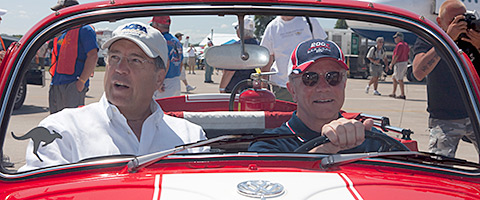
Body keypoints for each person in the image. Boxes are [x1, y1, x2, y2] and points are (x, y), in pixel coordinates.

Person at [19, 22, 207, 171]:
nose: (120, 69)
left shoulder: (191, 139)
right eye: (114, 57)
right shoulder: (61, 131)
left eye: (135, 60)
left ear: (159, 77)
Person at [249, 39, 381, 153]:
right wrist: (327, 149)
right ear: (292, 90)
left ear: (344, 84)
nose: (323, 88)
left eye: (333, 77)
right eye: (310, 78)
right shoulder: (267, 146)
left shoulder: (371, 140)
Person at [411, 0, 480, 157]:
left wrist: (479, 46)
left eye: (462, 19)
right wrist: (446, 40)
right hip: (445, 116)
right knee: (439, 162)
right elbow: (418, 72)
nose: (459, 25)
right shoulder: (430, 39)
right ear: (439, 21)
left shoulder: (473, 37)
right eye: (453, 21)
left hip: (475, 112)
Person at [261, 16, 327, 102]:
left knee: (309, 114)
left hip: (309, 84)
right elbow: (267, 58)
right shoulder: (272, 27)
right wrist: (263, 87)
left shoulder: (309, 21)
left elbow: (323, 49)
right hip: (281, 87)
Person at [48, 0, 99, 114]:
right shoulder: (61, 31)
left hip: (72, 84)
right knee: (55, 121)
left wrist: (81, 82)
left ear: (69, 9)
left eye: (60, 10)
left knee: (72, 123)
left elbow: (93, 56)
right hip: (57, 83)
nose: (58, 13)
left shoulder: (85, 29)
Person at [219, 17, 259, 93]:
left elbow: (229, 71)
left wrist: (222, 88)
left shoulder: (236, 48)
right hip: (254, 89)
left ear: (240, 30)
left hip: (236, 89)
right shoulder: (259, 46)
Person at [150, 16, 183, 98]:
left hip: (164, 82)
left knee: (160, 109)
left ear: (156, 25)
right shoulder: (176, 41)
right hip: (175, 81)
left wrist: (160, 82)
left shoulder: (160, 40)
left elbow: (166, 62)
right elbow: (181, 63)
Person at [388, 32, 409, 99]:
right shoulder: (406, 44)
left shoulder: (399, 45)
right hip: (404, 62)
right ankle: (393, 93)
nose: (394, 39)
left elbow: (396, 55)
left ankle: (402, 94)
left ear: (399, 38)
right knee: (394, 78)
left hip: (400, 63)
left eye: (396, 38)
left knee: (400, 79)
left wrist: (391, 63)